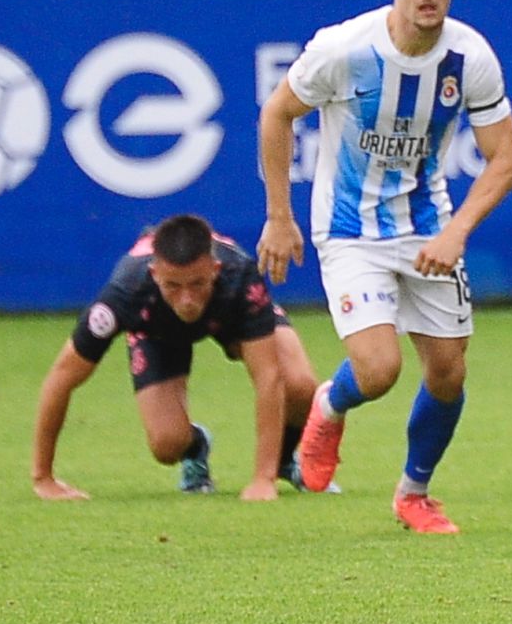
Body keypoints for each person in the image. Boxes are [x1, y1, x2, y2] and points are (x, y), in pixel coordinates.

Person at [257, 0, 512, 535]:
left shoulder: (470, 57)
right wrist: (278, 216)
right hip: (349, 230)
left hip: (428, 228)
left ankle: (414, 494)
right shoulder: (344, 51)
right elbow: (277, 115)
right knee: (379, 371)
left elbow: (504, 159)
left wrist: (456, 233)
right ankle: (331, 403)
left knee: (449, 371)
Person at [32, 213, 320, 501]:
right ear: (155, 274)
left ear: (215, 269)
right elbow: (61, 377)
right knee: (167, 444)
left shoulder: (241, 277)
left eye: (197, 284)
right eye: (173, 286)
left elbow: (268, 377)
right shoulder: (126, 293)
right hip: (158, 331)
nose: (186, 300)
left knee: (300, 385)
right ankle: (195, 447)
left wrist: (262, 479)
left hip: (229, 314)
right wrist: (44, 479)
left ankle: (281, 462)